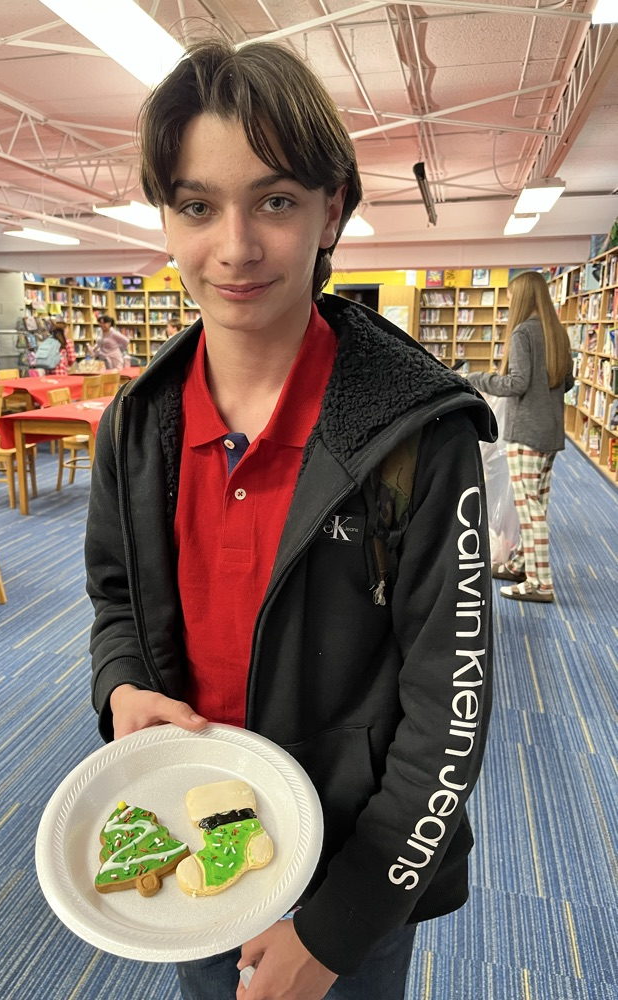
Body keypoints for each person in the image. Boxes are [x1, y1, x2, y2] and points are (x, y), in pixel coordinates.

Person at [85, 39, 495, 1000]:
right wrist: (122, 689)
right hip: (195, 830)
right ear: (166, 216)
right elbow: (115, 601)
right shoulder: (137, 426)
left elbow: (452, 706)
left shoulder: (418, 435)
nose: (234, 247)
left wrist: (343, 920)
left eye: (274, 200)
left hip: (349, 866)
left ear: (332, 210)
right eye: (196, 205)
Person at [466, 269, 573, 604]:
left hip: (525, 432)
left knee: (530, 511)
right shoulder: (558, 333)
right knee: (538, 503)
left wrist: (476, 378)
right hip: (551, 432)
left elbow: (516, 384)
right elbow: (566, 383)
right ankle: (521, 564)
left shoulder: (523, 333)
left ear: (523, 297)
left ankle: (540, 583)